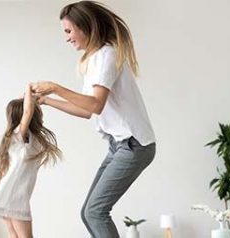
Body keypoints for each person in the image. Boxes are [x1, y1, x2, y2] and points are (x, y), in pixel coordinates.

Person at [31, 1, 156, 237]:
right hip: (120, 144)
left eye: (68, 31)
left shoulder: (107, 54)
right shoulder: (95, 59)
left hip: (134, 144)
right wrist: (47, 101)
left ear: (84, 26)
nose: (67, 38)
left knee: (95, 212)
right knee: (89, 212)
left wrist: (55, 87)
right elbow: (86, 110)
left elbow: (95, 104)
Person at [0, 84, 61, 238]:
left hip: (11, 196)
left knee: (14, 235)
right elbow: (28, 111)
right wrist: (28, 90)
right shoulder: (17, 137)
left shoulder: (31, 139)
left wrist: (26, 100)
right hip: (15, 198)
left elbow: (28, 111)